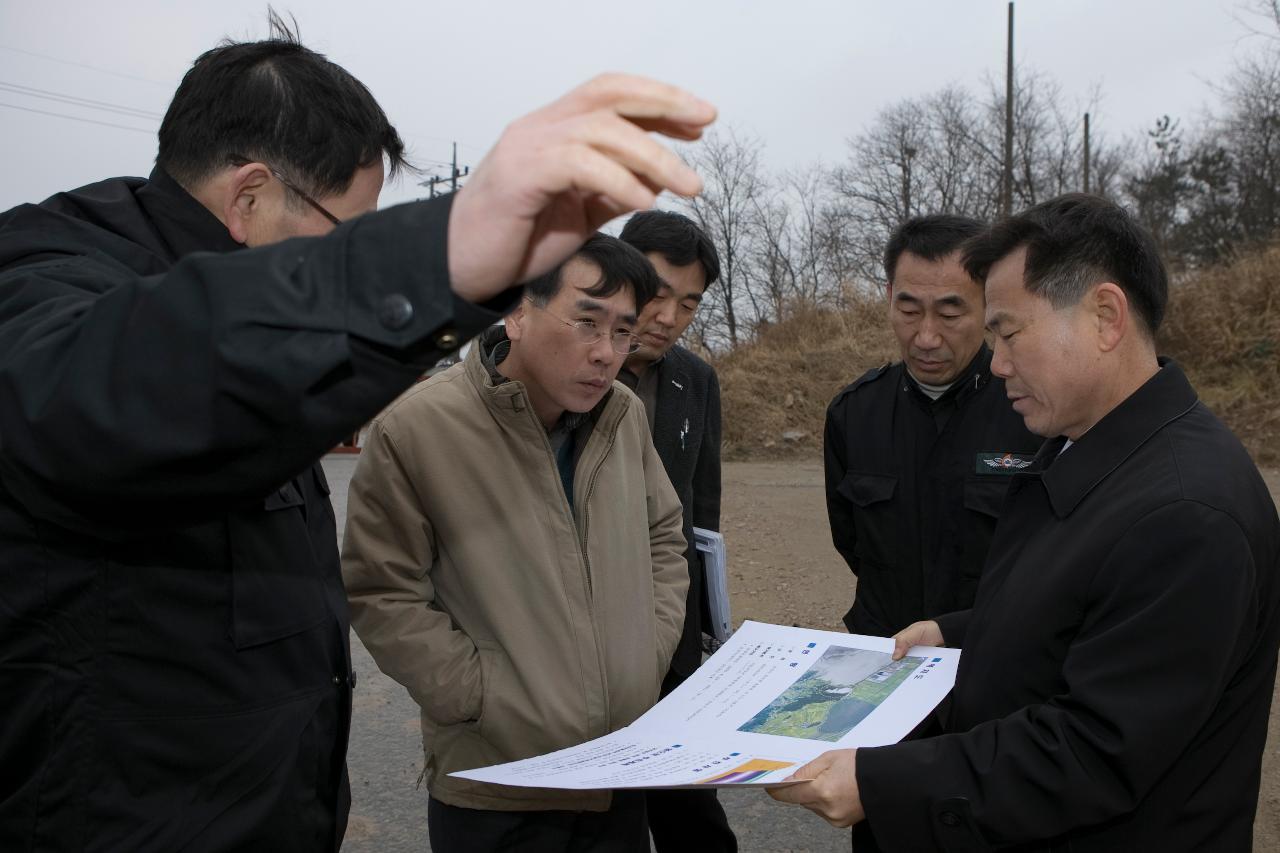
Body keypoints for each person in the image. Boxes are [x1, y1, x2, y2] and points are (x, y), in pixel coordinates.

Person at [0, 14, 716, 852]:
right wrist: (441, 250)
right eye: (351, 235)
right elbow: (109, 395)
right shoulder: (47, 279)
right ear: (250, 196)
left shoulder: (266, 347)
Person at [770, 194, 1280, 852]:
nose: (999, 363)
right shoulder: (1085, 446)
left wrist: (882, 783)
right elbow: (1075, 610)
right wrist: (954, 630)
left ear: (1104, 317)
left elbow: (1092, 751)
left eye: (1009, 333)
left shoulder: (1186, 513)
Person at [341, 234, 689, 853]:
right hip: (497, 783)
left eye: (622, 333)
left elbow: (664, 535)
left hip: (619, 769)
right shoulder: (419, 427)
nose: (606, 353)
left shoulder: (623, 416)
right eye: (587, 322)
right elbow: (382, 588)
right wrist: (479, 694)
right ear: (517, 311)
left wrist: (649, 647)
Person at [824, 215, 1038, 638]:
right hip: (884, 652)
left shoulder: (1033, 410)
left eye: (949, 313)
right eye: (908, 309)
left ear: (989, 304)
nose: (925, 337)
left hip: (996, 655)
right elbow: (851, 542)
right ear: (888, 297)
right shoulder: (853, 413)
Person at [617, 210, 736, 852]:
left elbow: (702, 515)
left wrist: (705, 628)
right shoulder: (565, 373)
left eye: (688, 302)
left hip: (674, 634)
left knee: (691, 811)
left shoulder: (696, 380)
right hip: (585, 639)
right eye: (657, 293)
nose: (668, 316)